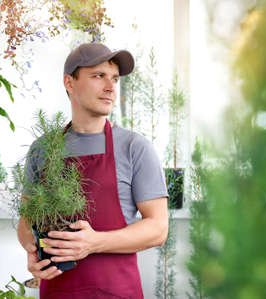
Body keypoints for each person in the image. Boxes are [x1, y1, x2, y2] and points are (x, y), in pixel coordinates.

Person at [17, 42, 169, 298]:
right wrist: (33, 251)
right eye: (99, 76)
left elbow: (158, 229)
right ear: (69, 82)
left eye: (115, 79)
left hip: (117, 292)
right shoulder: (43, 149)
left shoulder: (134, 147)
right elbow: (26, 222)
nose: (110, 87)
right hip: (58, 292)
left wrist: (93, 243)